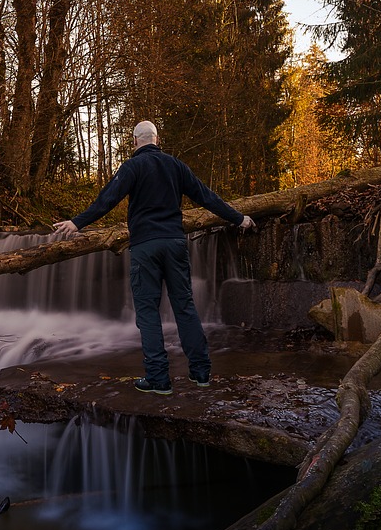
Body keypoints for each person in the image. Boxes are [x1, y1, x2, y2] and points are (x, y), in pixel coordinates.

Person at [54, 121, 253, 395]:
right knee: (184, 307)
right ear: (157, 139)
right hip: (174, 243)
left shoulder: (132, 167)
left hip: (146, 247)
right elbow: (206, 197)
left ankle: (159, 379)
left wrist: (78, 223)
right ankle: (201, 372)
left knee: (148, 312)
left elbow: (108, 199)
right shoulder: (176, 166)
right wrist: (238, 218)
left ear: (135, 141)